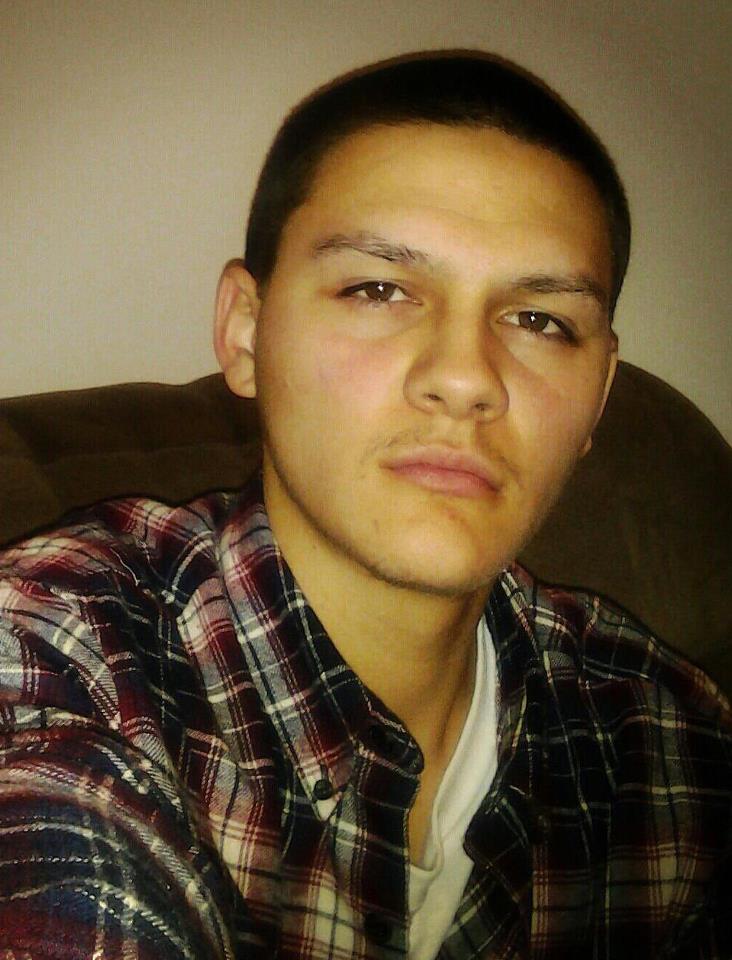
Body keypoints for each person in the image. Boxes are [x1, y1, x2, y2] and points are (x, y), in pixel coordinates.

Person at [0, 51, 729, 960]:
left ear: (600, 397)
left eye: (540, 320)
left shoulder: (667, 735)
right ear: (245, 332)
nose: (466, 378)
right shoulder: (57, 656)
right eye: (378, 289)